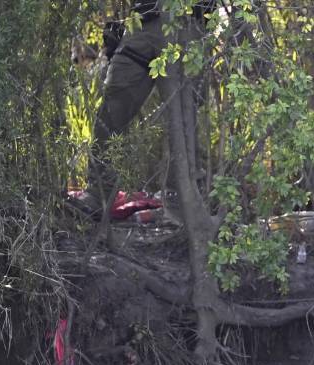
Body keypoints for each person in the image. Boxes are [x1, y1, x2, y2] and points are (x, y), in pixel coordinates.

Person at [72, 1, 214, 217]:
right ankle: (98, 194)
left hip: (189, 21)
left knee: (186, 114)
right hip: (145, 19)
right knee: (113, 103)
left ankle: (181, 200)